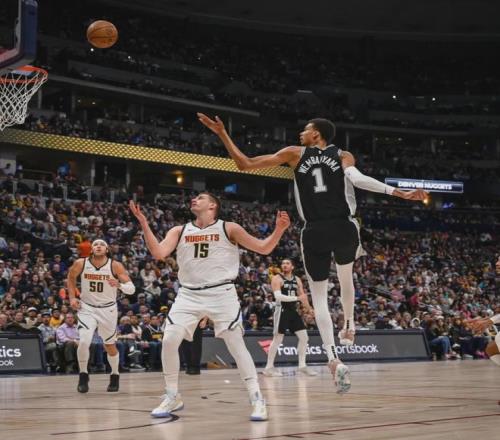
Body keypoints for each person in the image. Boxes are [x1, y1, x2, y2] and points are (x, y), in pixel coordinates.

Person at [198, 113, 427, 393]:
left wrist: (222, 133)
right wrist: (398, 192)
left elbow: (244, 164)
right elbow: (357, 179)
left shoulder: (294, 154)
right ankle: (350, 324)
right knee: (346, 277)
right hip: (344, 227)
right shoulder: (343, 155)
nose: (301, 133)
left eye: (306, 130)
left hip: (314, 231)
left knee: (319, 298)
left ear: (317, 134)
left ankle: (332, 358)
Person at [130, 193, 290, 421]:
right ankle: (172, 395)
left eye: (200, 197)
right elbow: (158, 253)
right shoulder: (179, 230)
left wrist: (279, 229)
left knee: (236, 345)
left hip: (221, 292)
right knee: (169, 340)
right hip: (188, 293)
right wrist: (144, 224)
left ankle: (257, 398)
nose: (194, 199)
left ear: (213, 205)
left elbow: (264, 248)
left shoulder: (229, 228)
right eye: (194, 198)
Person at [67, 239, 136, 393]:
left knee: (109, 345)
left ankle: (115, 374)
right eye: (95, 245)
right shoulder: (81, 263)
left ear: (107, 250)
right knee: (84, 341)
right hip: (87, 308)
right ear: (91, 249)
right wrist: (72, 297)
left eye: (102, 245)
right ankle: (83, 375)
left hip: (108, 310)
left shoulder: (115, 265)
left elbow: (131, 289)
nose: (98, 246)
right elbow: (71, 278)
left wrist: (119, 285)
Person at [263, 258, 317, 377]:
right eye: (283, 263)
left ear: (292, 267)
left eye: (287, 263)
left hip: (293, 311)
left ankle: (302, 366)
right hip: (281, 310)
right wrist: (297, 299)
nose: (285, 265)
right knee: (277, 339)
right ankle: (268, 368)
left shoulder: (297, 279)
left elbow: (302, 297)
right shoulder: (277, 278)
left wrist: (310, 310)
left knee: (304, 337)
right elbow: (278, 296)